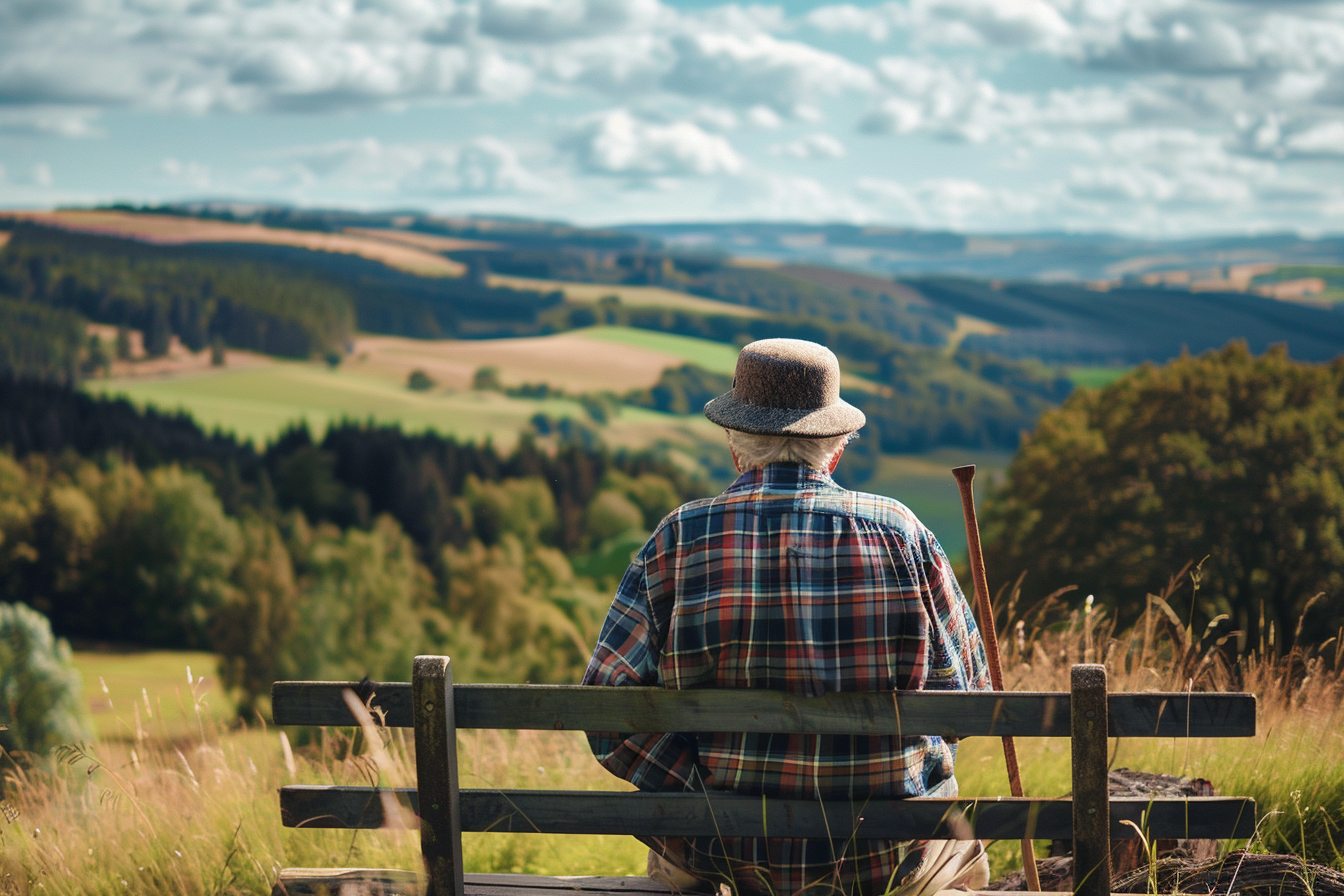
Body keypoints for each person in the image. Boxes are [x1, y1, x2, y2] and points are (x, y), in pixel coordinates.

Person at [582, 338, 993, 896]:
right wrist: (903, 779)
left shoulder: (681, 537)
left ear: (734, 444)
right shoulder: (900, 532)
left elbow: (607, 712)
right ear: (836, 448)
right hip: (887, 862)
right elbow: (968, 704)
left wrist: (703, 797)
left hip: (723, 861)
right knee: (964, 858)